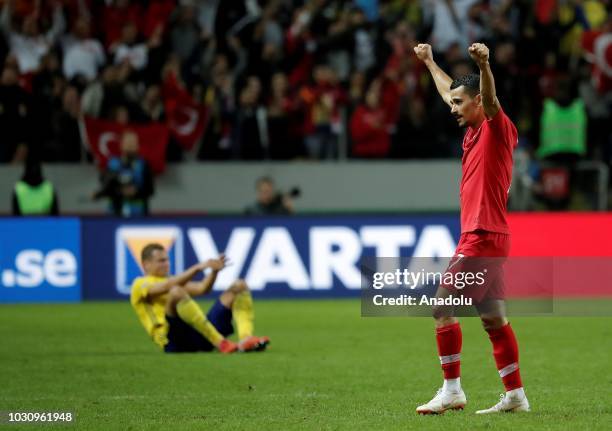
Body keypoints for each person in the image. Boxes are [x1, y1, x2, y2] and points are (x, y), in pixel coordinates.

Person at [412, 42, 529, 414]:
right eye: (452, 104)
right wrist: (430, 61)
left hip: (482, 236)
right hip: (487, 236)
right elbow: (450, 89)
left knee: (441, 307)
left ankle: (452, 390)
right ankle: (515, 396)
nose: (454, 108)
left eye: (460, 104)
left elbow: (490, 100)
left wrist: (484, 65)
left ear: (477, 100)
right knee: (494, 319)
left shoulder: (496, 127)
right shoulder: (474, 130)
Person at [130, 243, 270, 354]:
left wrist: (214, 272)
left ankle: (245, 339)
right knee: (176, 291)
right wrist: (197, 268)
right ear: (146, 264)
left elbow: (203, 288)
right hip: (171, 340)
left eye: (167, 259)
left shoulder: (173, 280)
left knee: (239, 286)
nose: (166, 263)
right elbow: (166, 286)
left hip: (198, 334)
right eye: (161, 261)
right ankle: (220, 342)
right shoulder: (140, 284)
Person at [93, 131, 154, 217]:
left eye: (133, 142)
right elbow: (105, 185)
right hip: (114, 212)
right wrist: (119, 191)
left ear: (137, 145)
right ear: (121, 144)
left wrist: (136, 191)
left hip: (138, 213)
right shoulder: (112, 164)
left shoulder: (144, 164)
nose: (130, 145)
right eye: (128, 141)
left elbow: (150, 190)